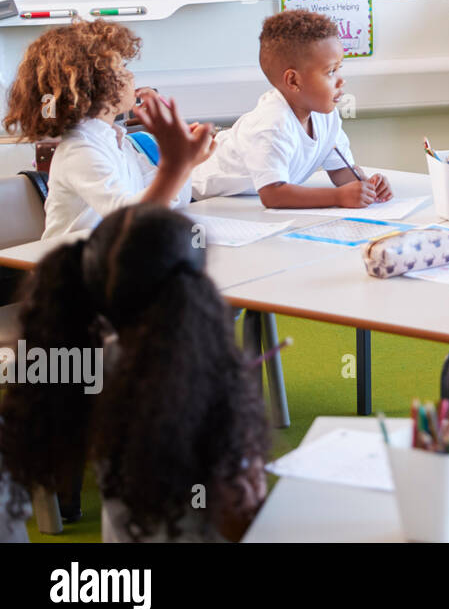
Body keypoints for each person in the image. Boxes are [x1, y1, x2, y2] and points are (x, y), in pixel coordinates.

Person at [0, 204, 270, 542]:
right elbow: (240, 521)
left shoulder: (85, 360)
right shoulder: (203, 385)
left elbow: (131, 254)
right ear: (198, 292)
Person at [2, 20, 215, 241]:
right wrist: (178, 163)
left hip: (112, 259)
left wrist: (186, 162)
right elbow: (127, 219)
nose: (131, 76)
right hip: (73, 268)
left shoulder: (118, 139)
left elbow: (170, 200)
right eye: (122, 69)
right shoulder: (80, 149)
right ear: (91, 87)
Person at [190, 10, 392, 207]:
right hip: (195, 197)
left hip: (241, 202)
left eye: (340, 68)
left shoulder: (326, 115)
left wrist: (365, 185)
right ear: (293, 80)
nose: (341, 81)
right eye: (331, 71)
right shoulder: (271, 124)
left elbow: (340, 169)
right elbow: (274, 195)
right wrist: (338, 197)